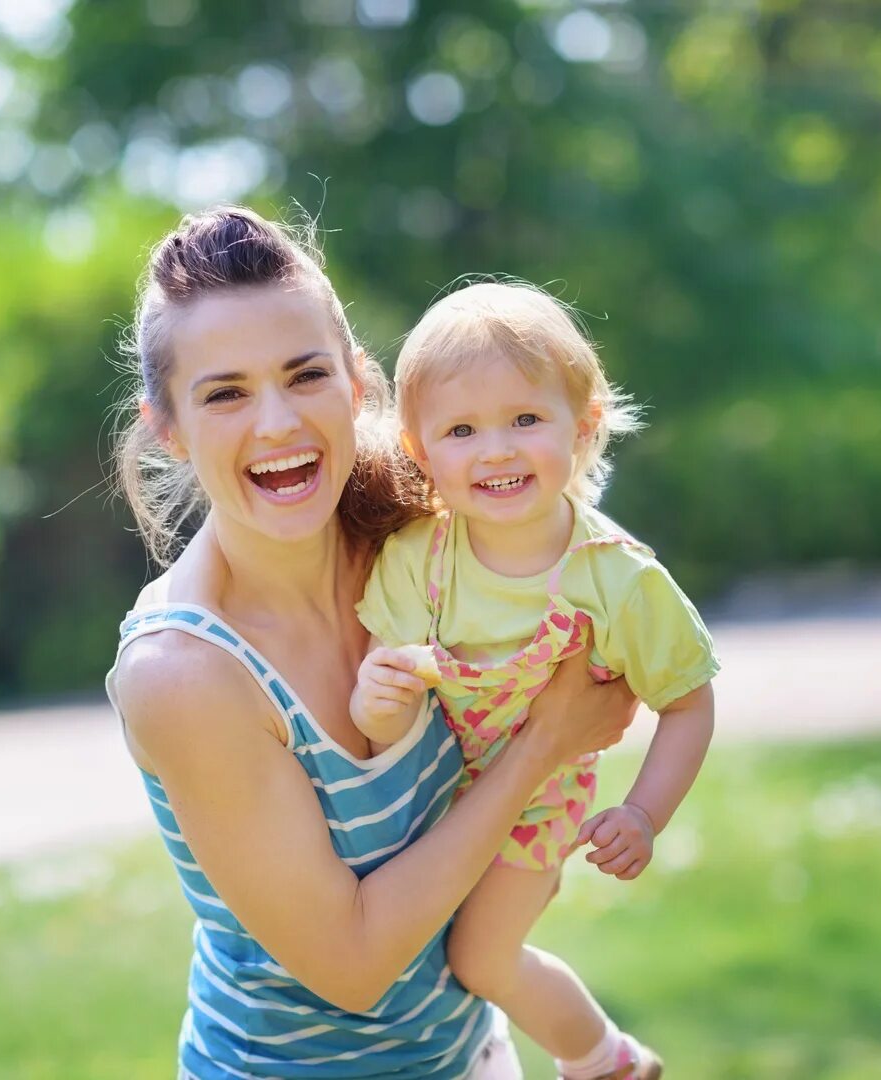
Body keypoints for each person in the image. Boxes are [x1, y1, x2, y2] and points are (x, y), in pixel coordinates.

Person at [105, 207, 636, 1080]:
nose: (276, 422)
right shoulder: (185, 675)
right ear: (168, 426)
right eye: (226, 392)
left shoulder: (423, 545)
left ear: (356, 384)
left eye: (305, 375)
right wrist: (545, 743)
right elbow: (352, 966)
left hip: (470, 1055)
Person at [349, 282, 719, 1080]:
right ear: (419, 452)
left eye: (525, 419)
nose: (496, 450)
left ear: (582, 426)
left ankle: (604, 1059)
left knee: (482, 958)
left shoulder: (616, 580)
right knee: (406, 955)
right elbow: (386, 696)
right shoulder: (421, 557)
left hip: (538, 806)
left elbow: (687, 701)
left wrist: (646, 813)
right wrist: (376, 703)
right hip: (435, 794)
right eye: (460, 430)